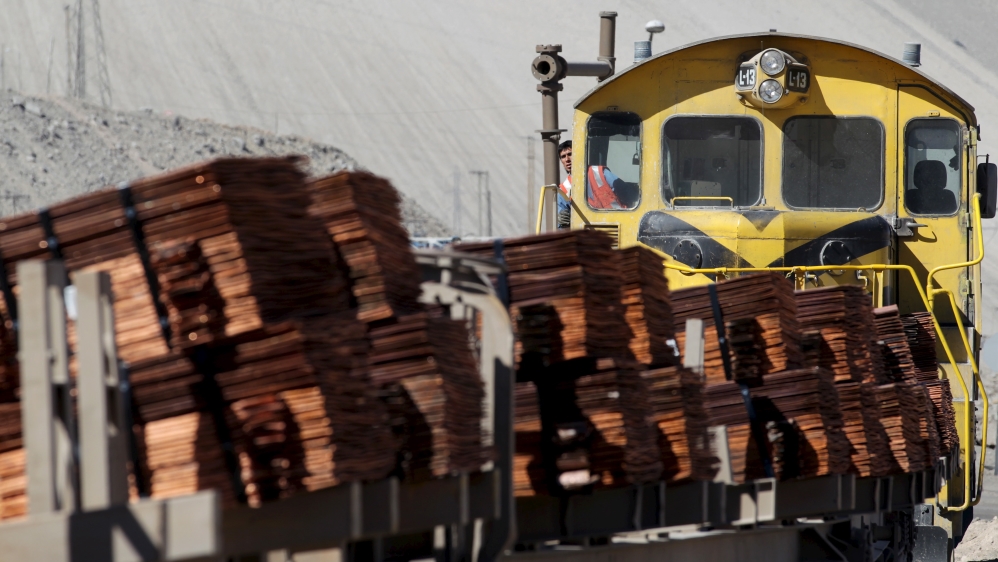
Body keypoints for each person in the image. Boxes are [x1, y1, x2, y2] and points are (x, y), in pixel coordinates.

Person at [557, 140, 572, 228]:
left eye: (570, 154)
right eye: (563, 156)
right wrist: (563, 221)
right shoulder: (564, 190)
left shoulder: (599, 173)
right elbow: (562, 228)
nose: (567, 160)